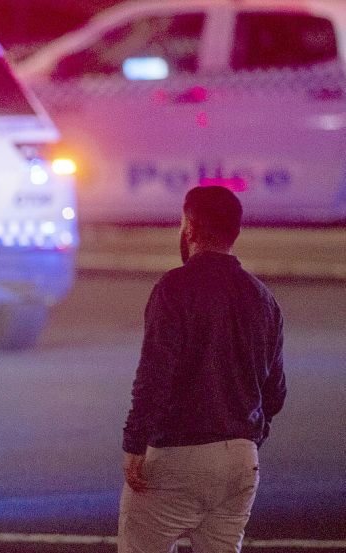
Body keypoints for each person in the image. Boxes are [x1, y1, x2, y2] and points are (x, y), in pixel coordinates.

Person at [117, 185, 286, 553]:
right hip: (241, 458)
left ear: (189, 228)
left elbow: (154, 376)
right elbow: (274, 393)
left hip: (179, 453)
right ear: (235, 233)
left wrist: (134, 444)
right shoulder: (263, 298)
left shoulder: (174, 288)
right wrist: (247, 441)